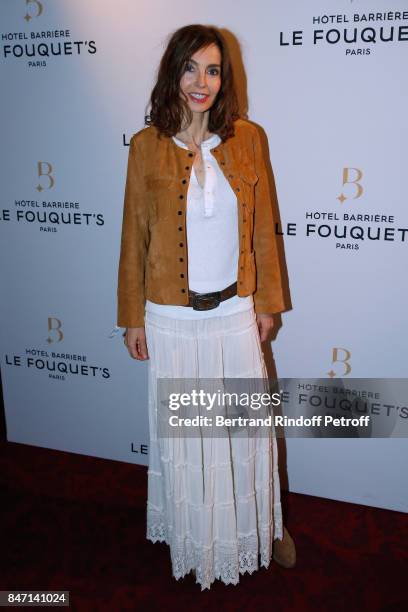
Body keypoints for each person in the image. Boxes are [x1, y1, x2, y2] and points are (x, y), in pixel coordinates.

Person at [117, 24, 295, 591]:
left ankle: (263, 528)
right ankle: (193, 534)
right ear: (173, 73)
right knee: (186, 436)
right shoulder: (146, 146)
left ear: (225, 78)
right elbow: (133, 237)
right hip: (170, 317)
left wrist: (267, 303)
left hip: (235, 312)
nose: (202, 82)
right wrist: (131, 317)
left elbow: (265, 230)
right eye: (191, 68)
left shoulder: (249, 139)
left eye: (213, 70)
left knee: (245, 432)